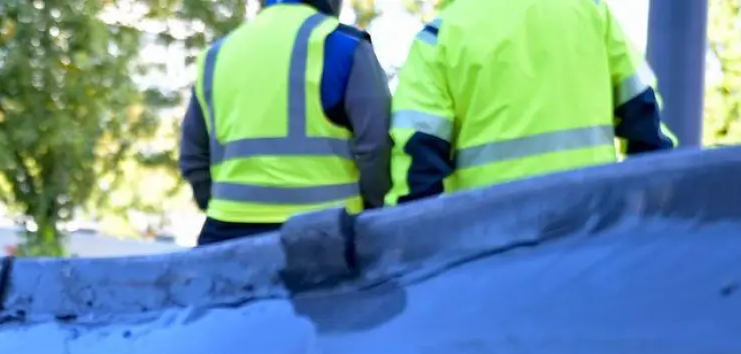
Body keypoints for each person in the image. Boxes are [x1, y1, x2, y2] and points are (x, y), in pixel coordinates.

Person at [387, 0, 675, 205]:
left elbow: (417, 170)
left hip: (489, 248)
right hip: (590, 228)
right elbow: (646, 124)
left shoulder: (439, 38)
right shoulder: (592, 11)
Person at [179, 0, 392, 246]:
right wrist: (372, 210)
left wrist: (223, 207)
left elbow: (193, 157)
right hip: (327, 235)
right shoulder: (345, 46)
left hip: (226, 233)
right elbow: (376, 145)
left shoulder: (216, 55)